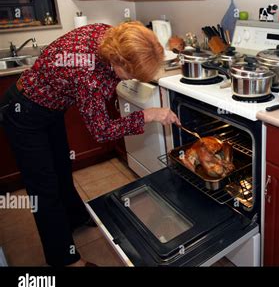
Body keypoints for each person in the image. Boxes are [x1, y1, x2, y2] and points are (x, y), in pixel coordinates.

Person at [1, 21, 181, 267]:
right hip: (24, 114)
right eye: (132, 74)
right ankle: (65, 261)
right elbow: (102, 130)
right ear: (119, 63)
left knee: (62, 168)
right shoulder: (88, 73)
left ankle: (75, 217)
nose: (133, 79)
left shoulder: (110, 35)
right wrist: (148, 115)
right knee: (44, 190)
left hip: (50, 107)